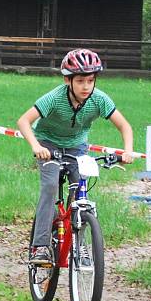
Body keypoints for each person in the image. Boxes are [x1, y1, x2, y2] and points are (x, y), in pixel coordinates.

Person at [17, 49, 135, 265]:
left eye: (90, 80)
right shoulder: (54, 98)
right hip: (48, 145)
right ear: (67, 80)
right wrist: (36, 146)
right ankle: (40, 246)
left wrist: (126, 151)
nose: (86, 86)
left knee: (80, 192)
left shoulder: (99, 99)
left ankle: (79, 245)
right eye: (80, 80)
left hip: (77, 148)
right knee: (51, 186)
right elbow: (24, 121)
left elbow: (124, 126)